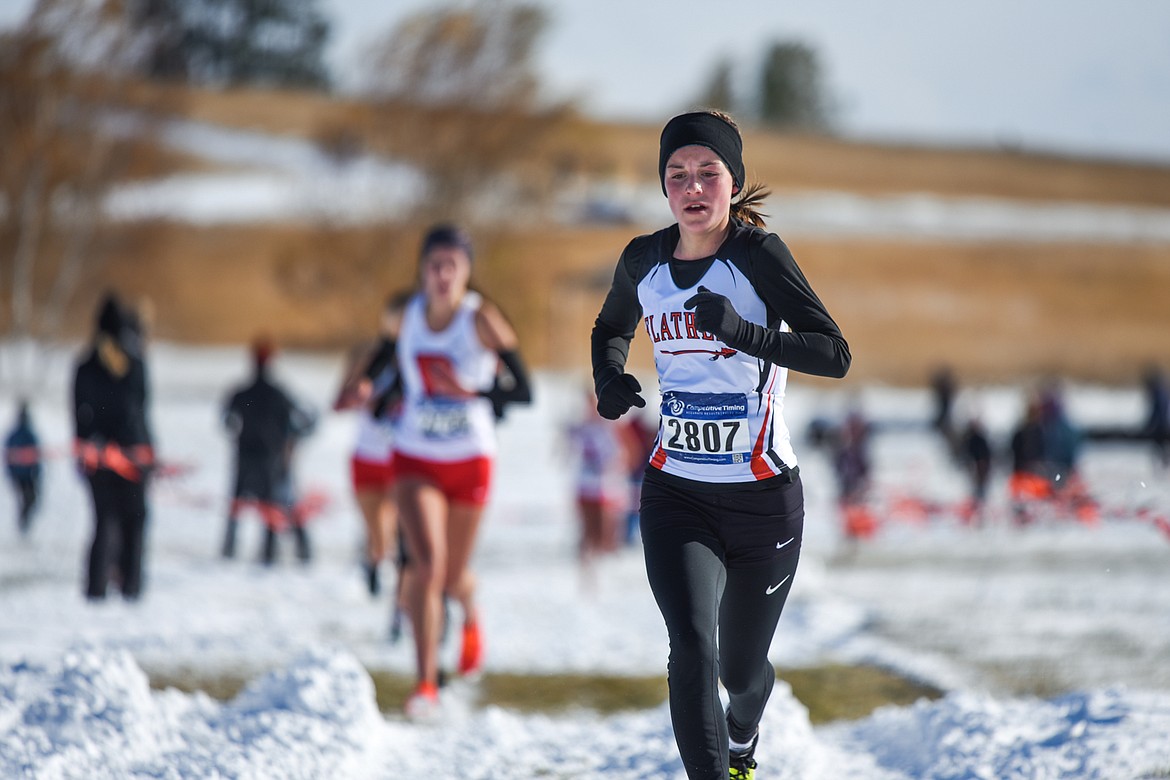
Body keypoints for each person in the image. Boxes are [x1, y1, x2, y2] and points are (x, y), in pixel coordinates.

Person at [590, 110, 850, 779]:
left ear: (732, 183)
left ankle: (744, 733)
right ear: (664, 187)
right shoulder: (642, 260)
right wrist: (610, 379)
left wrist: (747, 333)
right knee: (691, 650)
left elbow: (834, 353)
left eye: (709, 172)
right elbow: (612, 323)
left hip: (764, 499)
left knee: (739, 670)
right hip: (677, 491)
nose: (693, 185)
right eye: (678, 174)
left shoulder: (758, 257)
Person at [370, 224, 533, 718]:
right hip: (415, 457)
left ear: (465, 271)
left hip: (470, 459)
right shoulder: (404, 317)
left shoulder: (480, 318)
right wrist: (372, 397)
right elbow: (389, 370)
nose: (442, 275)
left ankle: (470, 612)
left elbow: (523, 390)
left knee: (453, 574)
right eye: (433, 265)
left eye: (452, 266)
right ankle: (425, 683)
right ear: (421, 269)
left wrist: (474, 394)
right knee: (426, 565)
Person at [73, 293, 155, 601]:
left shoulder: (85, 365)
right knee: (135, 519)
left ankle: (96, 587)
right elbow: (141, 409)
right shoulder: (135, 364)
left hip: (98, 457)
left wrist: (86, 448)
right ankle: (131, 586)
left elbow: (78, 413)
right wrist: (146, 451)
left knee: (103, 521)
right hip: (133, 455)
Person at [221, 337, 317, 565]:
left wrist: (240, 435)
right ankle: (271, 557)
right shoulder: (279, 394)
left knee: (236, 510)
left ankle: (228, 552)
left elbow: (226, 421)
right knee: (275, 508)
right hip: (273, 459)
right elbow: (306, 419)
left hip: (245, 457)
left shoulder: (241, 392)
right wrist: (293, 439)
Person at [565, 388, 631, 589]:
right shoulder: (582, 426)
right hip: (585, 485)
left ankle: (605, 573)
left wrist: (616, 468)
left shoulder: (611, 425)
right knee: (586, 531)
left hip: (606, 487)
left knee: (604, 532)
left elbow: (628, 452)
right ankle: (587, 572)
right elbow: (566, 449)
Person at [5, 400, 43, 535]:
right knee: (26, 499)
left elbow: (37, 456)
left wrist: (37, 473)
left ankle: (24, 522)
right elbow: (8, 457)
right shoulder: (17, 435)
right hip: (20, 476)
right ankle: (22, 523)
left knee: (31, 499)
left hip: (28, 475)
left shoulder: (28, 434)